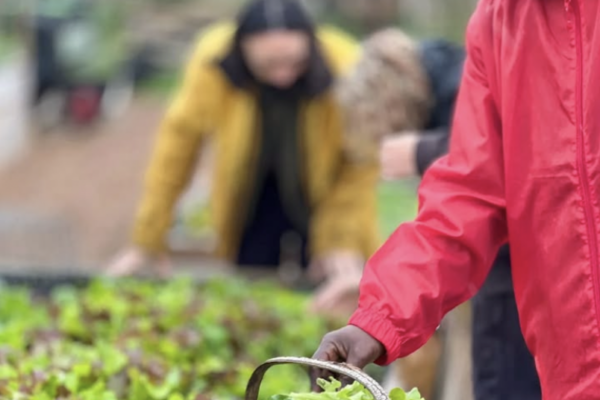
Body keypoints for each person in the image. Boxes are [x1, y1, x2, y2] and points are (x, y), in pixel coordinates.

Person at [313, 1, 599, 399]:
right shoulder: (501, 21)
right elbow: (469, 194)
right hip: (568, 366)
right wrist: (377, 320)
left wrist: (418, 151)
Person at [106, 0, 380, 291]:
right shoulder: (213, 62)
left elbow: (361, 158)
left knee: (329, 284)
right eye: (268, 66)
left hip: (325, 196)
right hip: (250, 194)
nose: (283, 76)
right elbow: (176, 150)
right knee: (252, 284)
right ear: (242, 51)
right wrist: (148, 238)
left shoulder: (346, 64)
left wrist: (340, 237)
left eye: (295, 63)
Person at [334, 28, 540, 400]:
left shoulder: (462, 84)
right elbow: (452, 212)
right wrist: (378, 314)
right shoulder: (482, 45)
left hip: (521, 275)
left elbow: (503, 162)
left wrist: (422, 151)